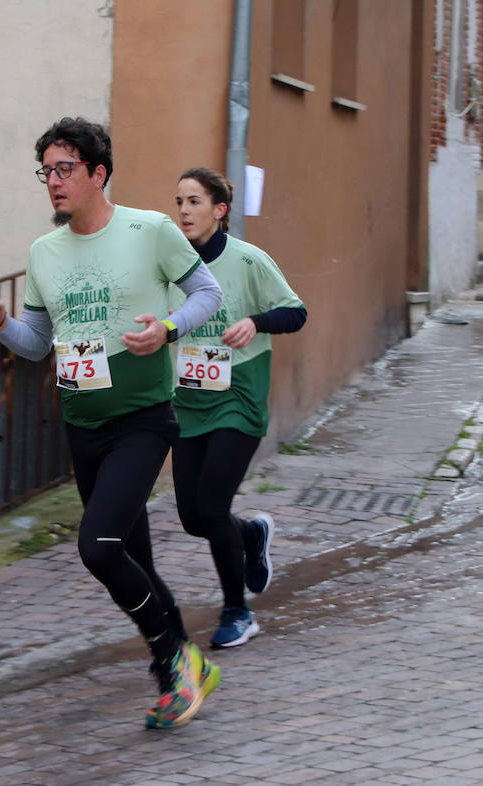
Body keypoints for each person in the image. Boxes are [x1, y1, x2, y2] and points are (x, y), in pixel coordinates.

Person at [0, 118, 224, 729]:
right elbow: (37, 343)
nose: (53, 182)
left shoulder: (150, 230)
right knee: (131, 557)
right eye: (46, 172)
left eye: (65, 169)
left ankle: (170, 662)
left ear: (97, 173)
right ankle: (191, 667)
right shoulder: (44, 253)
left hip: (142, 419)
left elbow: (207, 294)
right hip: (83, 425)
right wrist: (1, 324)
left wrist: (166, 329)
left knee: (98, 546)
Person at [168, 167, 307, 649]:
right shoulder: (171, 265)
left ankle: (237, 612)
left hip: (238, 398)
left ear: (219, 210)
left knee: (211, 506)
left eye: (194, 201)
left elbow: (296, 311)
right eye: (179, 202)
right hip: (186, 401)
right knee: (192, 517)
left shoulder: (248, 261)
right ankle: (249, 535)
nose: (184, 210)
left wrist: (255, 320)